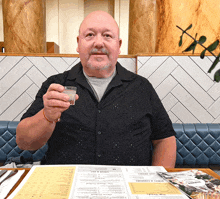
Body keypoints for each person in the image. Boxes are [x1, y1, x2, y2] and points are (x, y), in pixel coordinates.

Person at [16, 11, 176, 167]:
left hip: (129, 190)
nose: (99, 43)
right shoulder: (56, 86)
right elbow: (24, 142)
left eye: (107, 36)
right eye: (90, 35)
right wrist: (47, 116)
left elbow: (164, 140)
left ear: (119, 45)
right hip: (67, 189)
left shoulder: (142, 88)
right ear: (78, 43)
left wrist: (157, 184)